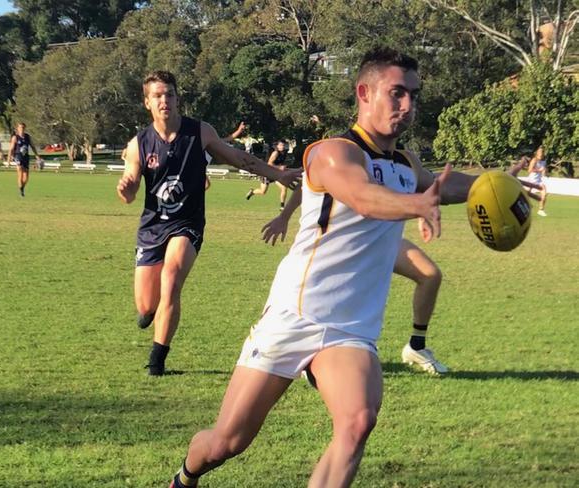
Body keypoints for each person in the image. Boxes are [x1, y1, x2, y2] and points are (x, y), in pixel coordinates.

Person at [167, 47, 540, 488]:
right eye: (396, 94)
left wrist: (494, 184)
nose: (407, 107)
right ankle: (184, 478)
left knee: (358, 421)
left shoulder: (406, 165)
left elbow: (444, 184)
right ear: (364, 93)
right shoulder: (331, 153)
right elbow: (361, 195)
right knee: (226, 442)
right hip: (294, 316)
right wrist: (416, 204)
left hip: (350, 329)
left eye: (414, 97)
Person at [116, 71, 300, 376]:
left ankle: (156, 361)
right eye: (158, 95)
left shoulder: (200, 132)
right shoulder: (138, 144)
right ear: (147, 102)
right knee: (146, 305)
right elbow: (131, 188)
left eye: (170, 94)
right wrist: (125, 189)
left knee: (172, 278)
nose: (165, 100)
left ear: (177, 98)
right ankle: (150, 311)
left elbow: (239, 158)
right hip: (151, 228)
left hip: (187, 223)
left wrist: (277, 174)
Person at [261, 187, 447, 375]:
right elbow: (307, 182)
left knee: (430, 275)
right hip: (341, 241)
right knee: (332, 290)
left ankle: (416, 346)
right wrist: (284, 216)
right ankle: (310, 352)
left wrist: (422, 208)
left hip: (381, 239)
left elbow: (419, 184)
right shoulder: (347, 158)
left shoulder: (402, 158)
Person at [245, 139, 290, 210]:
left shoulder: (284, 154)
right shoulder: (275, 153)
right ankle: (252, 192)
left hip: (275, 174)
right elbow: (269, 164)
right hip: (267, 173)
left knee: (284, 187)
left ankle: (282, 206)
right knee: (263, 192)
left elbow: (281, 166)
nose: (282, 147)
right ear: (277, 146)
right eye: (281, 145)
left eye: (284, 145)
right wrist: (279, 167)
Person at [7, 122, 42, 197]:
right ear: (17, 128)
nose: (21, 129)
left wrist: (37, 156)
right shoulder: (15, 137)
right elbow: (11, 149)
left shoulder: (27, 137)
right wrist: (9, 160)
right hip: (18, 156)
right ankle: (21, 191)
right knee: (20, 171)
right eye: (20, 127)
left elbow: (32, 146)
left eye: (23, 127)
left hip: (26, 157)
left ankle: (21, 188)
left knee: (26, 177)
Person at [528, 146, 548, 216]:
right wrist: (539, 170)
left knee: (544, 193)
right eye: (539, 152)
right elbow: (529, 170)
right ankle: (527, 206)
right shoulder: (534, 160)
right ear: (537, 153)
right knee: (526, 194)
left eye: (542, 152)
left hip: (539, 181)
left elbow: (544, 171)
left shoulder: (544, 161)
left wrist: (545, 172)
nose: (541, 154)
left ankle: (541, 210)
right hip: (531, 180)